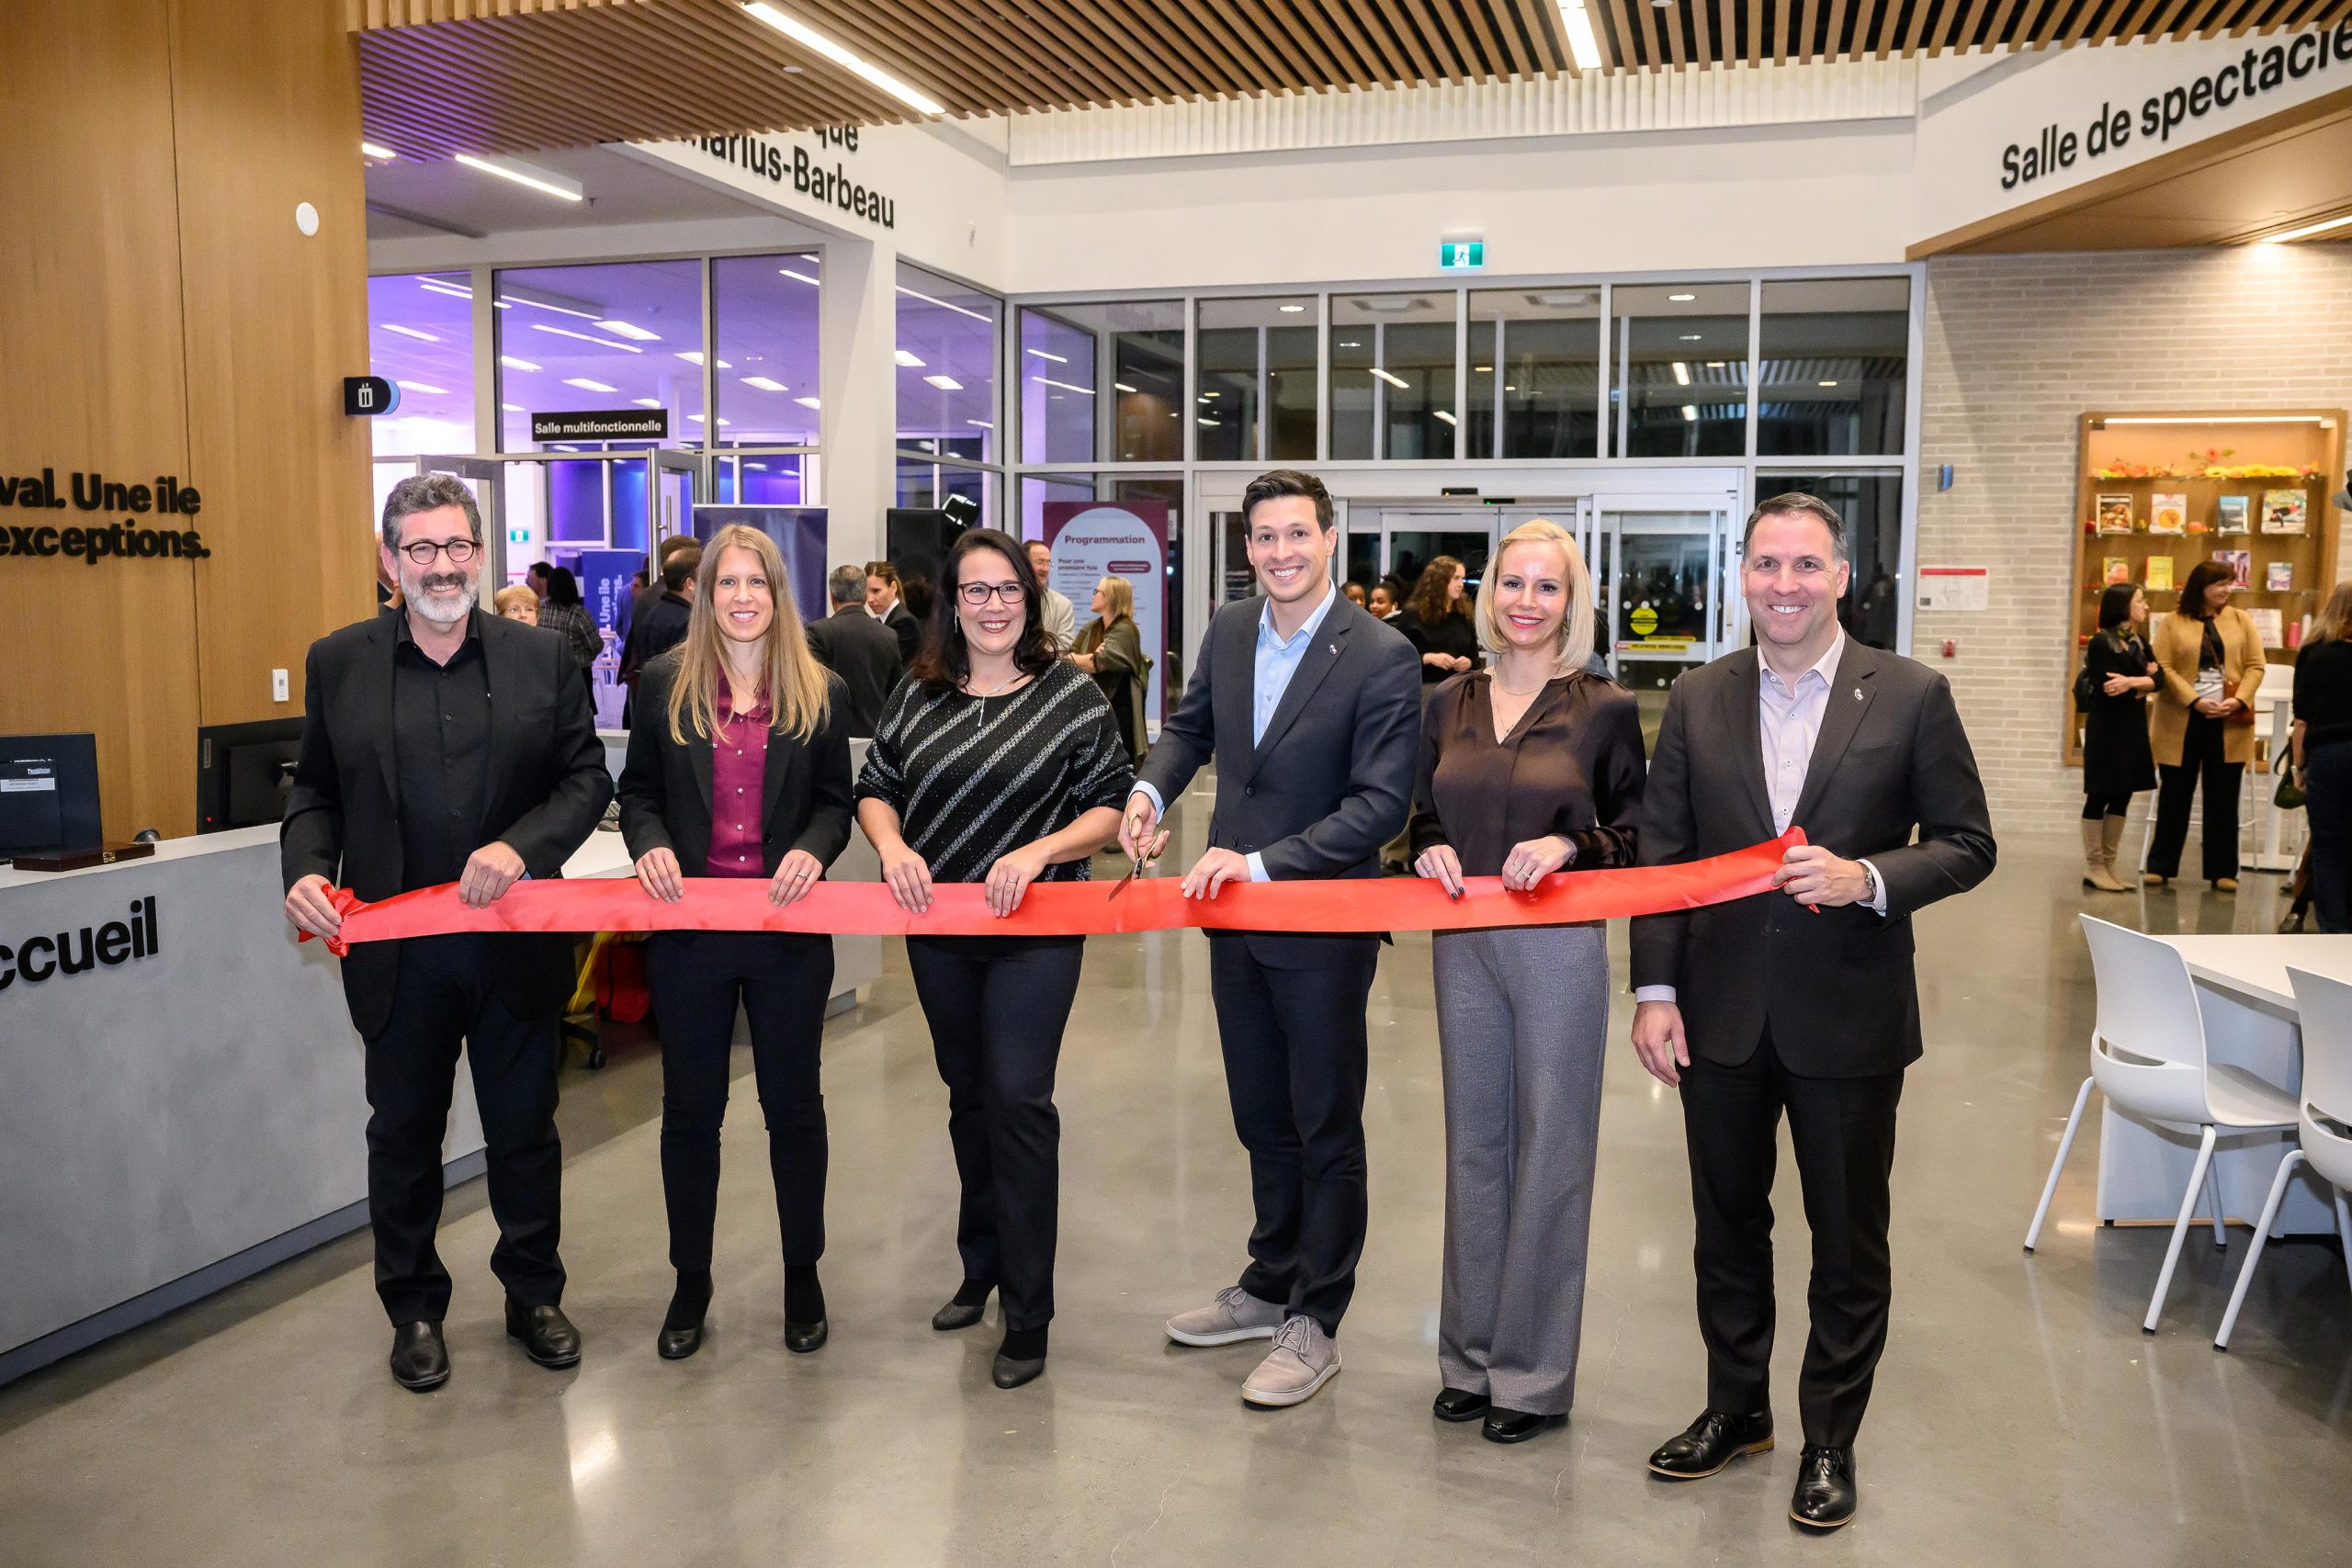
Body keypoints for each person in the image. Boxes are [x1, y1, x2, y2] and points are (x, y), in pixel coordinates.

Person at [1628, 492, 1994, 1530]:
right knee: (1725, 1228)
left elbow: (1967, 842)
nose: (1782, 585)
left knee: (1847, 1238)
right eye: (1764, 564)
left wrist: (1867, 879)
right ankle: (1735, 1410)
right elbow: (1664, 860)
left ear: (1842, 576)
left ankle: (1829, 1439)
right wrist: (1655, 990)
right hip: (1720, 1013)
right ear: (1739, 575)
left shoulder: (1912, 694)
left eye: (1804, 565)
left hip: (1848, 1015)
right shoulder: (1696, 698)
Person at [280, 474, 613, 1393]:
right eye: (420, 549)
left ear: (480, 552)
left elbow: (585, 781)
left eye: (457, 546)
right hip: (396, 956)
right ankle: (415, 1310)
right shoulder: (338, 662)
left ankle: (533, 1295)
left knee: (524, 1133)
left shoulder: (540, 659)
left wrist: (521, 844)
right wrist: (307, 866)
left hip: (513, 946)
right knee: (404, 1138)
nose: (441, 566)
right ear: (389, 561)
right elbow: (315, 792)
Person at [1122, 468, 1420, 1409]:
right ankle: (1267, 1280)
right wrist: (1146, 791)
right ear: (1245, 546)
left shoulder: (1381, 654)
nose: (1280, 552)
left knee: (1323, 1121)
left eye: (1297, 533)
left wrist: (1257, 865)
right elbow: (1188, 729)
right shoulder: (1228, 629)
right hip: (1232, 922)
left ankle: (1316, 1318)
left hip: (1319, 923)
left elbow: (1378, 807)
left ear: (1329, 537)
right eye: (1263, 536)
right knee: (1260, 1114)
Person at [854, 528, 1132, 1392]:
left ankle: (1031, 1305)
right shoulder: (920, 690)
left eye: (1007, 589)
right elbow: (877, 785)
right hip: (938, 929)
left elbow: (1112, 804)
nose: (993, 605)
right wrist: (894, 847)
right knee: (968, 1097)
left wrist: (1039, 851)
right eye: (975, 591)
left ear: (1028, 598)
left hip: (1038, 930)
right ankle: (981, 1264)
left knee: (1017, 1098)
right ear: (950, 602)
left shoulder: (1068, 694)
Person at [1408, 520, 1644, 1445]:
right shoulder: (1449, 699)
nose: (1526, 602)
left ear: (1570, 601)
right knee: (1475, 1146)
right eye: (1512, 583)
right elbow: (1422, 809)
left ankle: (1533, 1376)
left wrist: (1568, 845)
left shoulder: (1603, 707)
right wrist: (1425, 849)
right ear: (1487, 593)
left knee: (1550, 1151)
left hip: (1557, 945)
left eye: (1547, 587)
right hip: (1462, 937)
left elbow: (1639, 832)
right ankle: (1467, 1358)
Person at [618, 525, 854, 1362]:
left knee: (793, 1108)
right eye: (728, 583)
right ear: (706, 595)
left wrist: (813, 848)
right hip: (690, 933)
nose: (743, 597)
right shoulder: (661, 687)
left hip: (788, 933)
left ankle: (802, 1273)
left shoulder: (818, 690)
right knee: (690, 1113)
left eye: (758, 582)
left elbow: (835, 800)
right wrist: (644, 840)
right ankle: (691, 1278)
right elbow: (637, 790)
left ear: (777, 594)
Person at [2146, 559, 2265, 891]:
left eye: (2230, 584)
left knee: (2224, 796)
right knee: (2175, 793)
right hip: (2181, 719)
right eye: (2219, 585)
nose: (2226, 590)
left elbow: (2256, 666)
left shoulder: (2242, 620)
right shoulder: (2172, 622)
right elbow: (2163, 667)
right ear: (2201, 587)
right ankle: (2161, 865)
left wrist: (2238, 699)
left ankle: (2223, 870)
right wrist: (2194, 700)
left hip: (2229, 720)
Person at [2075, 582, 2159, 892]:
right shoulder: (2101, 642)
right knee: (2100, 794)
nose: (2146, 606)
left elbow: (2159, 678)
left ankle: (2110, 865)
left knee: (2124, 793)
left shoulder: (2138, 640)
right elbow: (2111, 688)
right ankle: (2094, 865)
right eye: (2140, 600)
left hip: (2134, 729)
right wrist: (2143, 680)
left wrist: (2136, 682)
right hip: (2107, 729)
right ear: (2123, 605)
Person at [2291, 581, 2352, 931]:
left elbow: (2302, 718)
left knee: (2328, 848)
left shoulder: (2314, 652)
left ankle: (2333, 931)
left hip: (2328, 756)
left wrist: (2300, 767)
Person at [805, 562, 906, 737]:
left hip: (831, 738)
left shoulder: (818, 633)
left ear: (832, 596)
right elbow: (897, 695)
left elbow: (812, 692)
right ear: (865, 596)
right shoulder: (888, 635)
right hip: (875, 741)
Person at [1069, 573, 1148, 762]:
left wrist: (1088, 659)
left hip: (1120, 711)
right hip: (1092, 708)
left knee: (1119, 762)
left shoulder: (1125, 629)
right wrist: (1089, 657)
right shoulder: (1092, 627)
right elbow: (1066, 658)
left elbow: (1101, 661)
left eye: (1098, 591)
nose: (1093, 595)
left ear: (1111, 597)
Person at [1404, 555, 1480, 687]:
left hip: (1458, 688)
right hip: (1422, 688)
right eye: (1456, 578)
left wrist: (1468, 663)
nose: (1461, 584)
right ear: (1440, 581)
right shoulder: (1413, 613)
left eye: (1462, 579)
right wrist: (1427, 658)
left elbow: (1474, 659)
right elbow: (1399, 659)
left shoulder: (1464, 614)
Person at [536, 565, 604, 684]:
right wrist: (586, 657)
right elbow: (596, 645)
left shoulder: (541, 610)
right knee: (583, 703)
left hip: (547, 670)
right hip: (577, 671)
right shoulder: (579, 613)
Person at [865, 559, 921, 662]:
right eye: (866, 592)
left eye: (876, 591)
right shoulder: (878, 621)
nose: (870, 599)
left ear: (893, 587)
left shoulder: (905, 622)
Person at [1026, 538, 1077, 651]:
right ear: (1024, 563)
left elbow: (1064, 644)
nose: (1045, 568)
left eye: (1048, 563)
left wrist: (1035, 659)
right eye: (1040, 562)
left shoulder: (1063, 604)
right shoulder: (1008, 599)